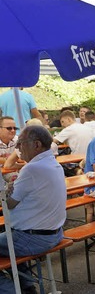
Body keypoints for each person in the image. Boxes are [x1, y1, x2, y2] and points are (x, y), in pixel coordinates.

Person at [0, 125, 66, 293]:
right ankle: (27, 287)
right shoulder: (52, 163)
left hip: (32, 238)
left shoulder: (32, 168)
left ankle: (13, 290)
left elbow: (8, 205)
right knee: (8, 240)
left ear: (36, 145)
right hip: (54, 233)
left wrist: (4, 193)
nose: (18, 149)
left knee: (9, 239)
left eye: (21, 143)